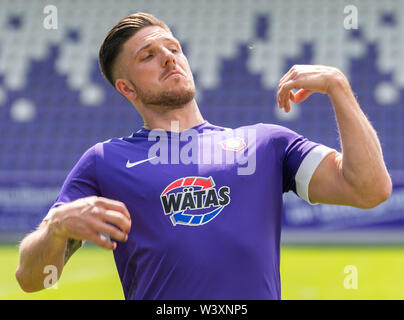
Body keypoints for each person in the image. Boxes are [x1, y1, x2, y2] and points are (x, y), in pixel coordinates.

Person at [15, 12, 391, 300]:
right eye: (149, 55)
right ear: (126, 87)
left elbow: (369, 189)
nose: (168, 58)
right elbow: (32, 280)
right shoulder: (104, 161)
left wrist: (338, 87)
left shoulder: (266, 144)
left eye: (174, 49)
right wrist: (56, 227)